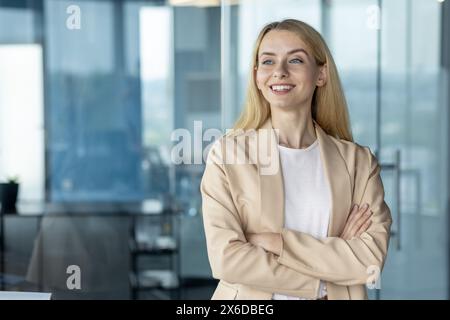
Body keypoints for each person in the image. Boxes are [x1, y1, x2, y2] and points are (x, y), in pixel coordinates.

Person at [200, 19, 392, 300]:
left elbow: (369, 261)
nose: (279, 72)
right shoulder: (227, 156)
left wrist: (278, 243)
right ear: (256, 76)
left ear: (321, 74)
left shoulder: (358, 163)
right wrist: (327, 275)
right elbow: (227, 259)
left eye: (296, 60)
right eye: (267, 62)